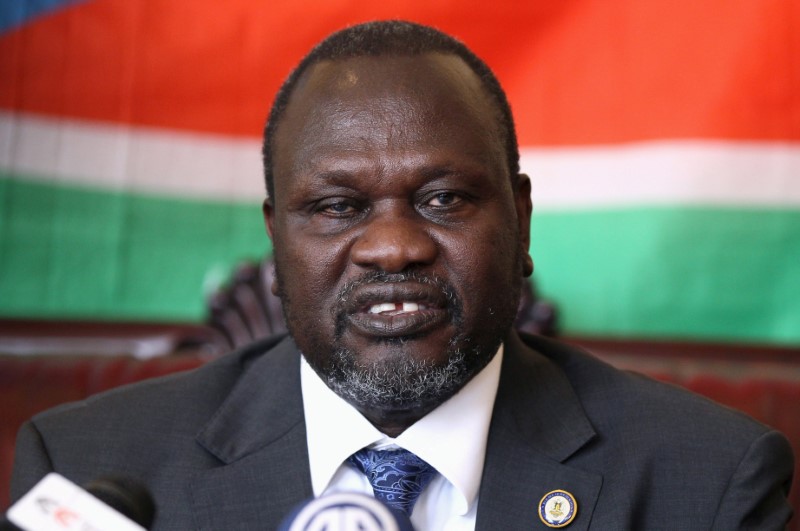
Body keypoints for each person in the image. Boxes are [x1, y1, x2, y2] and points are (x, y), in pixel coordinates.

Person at [11, 21, 794, 530]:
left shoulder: (708, 483)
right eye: (336, 206)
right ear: (276, 241)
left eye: (444, 198)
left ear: (520, 221)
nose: (392, 247)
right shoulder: (88, 472)